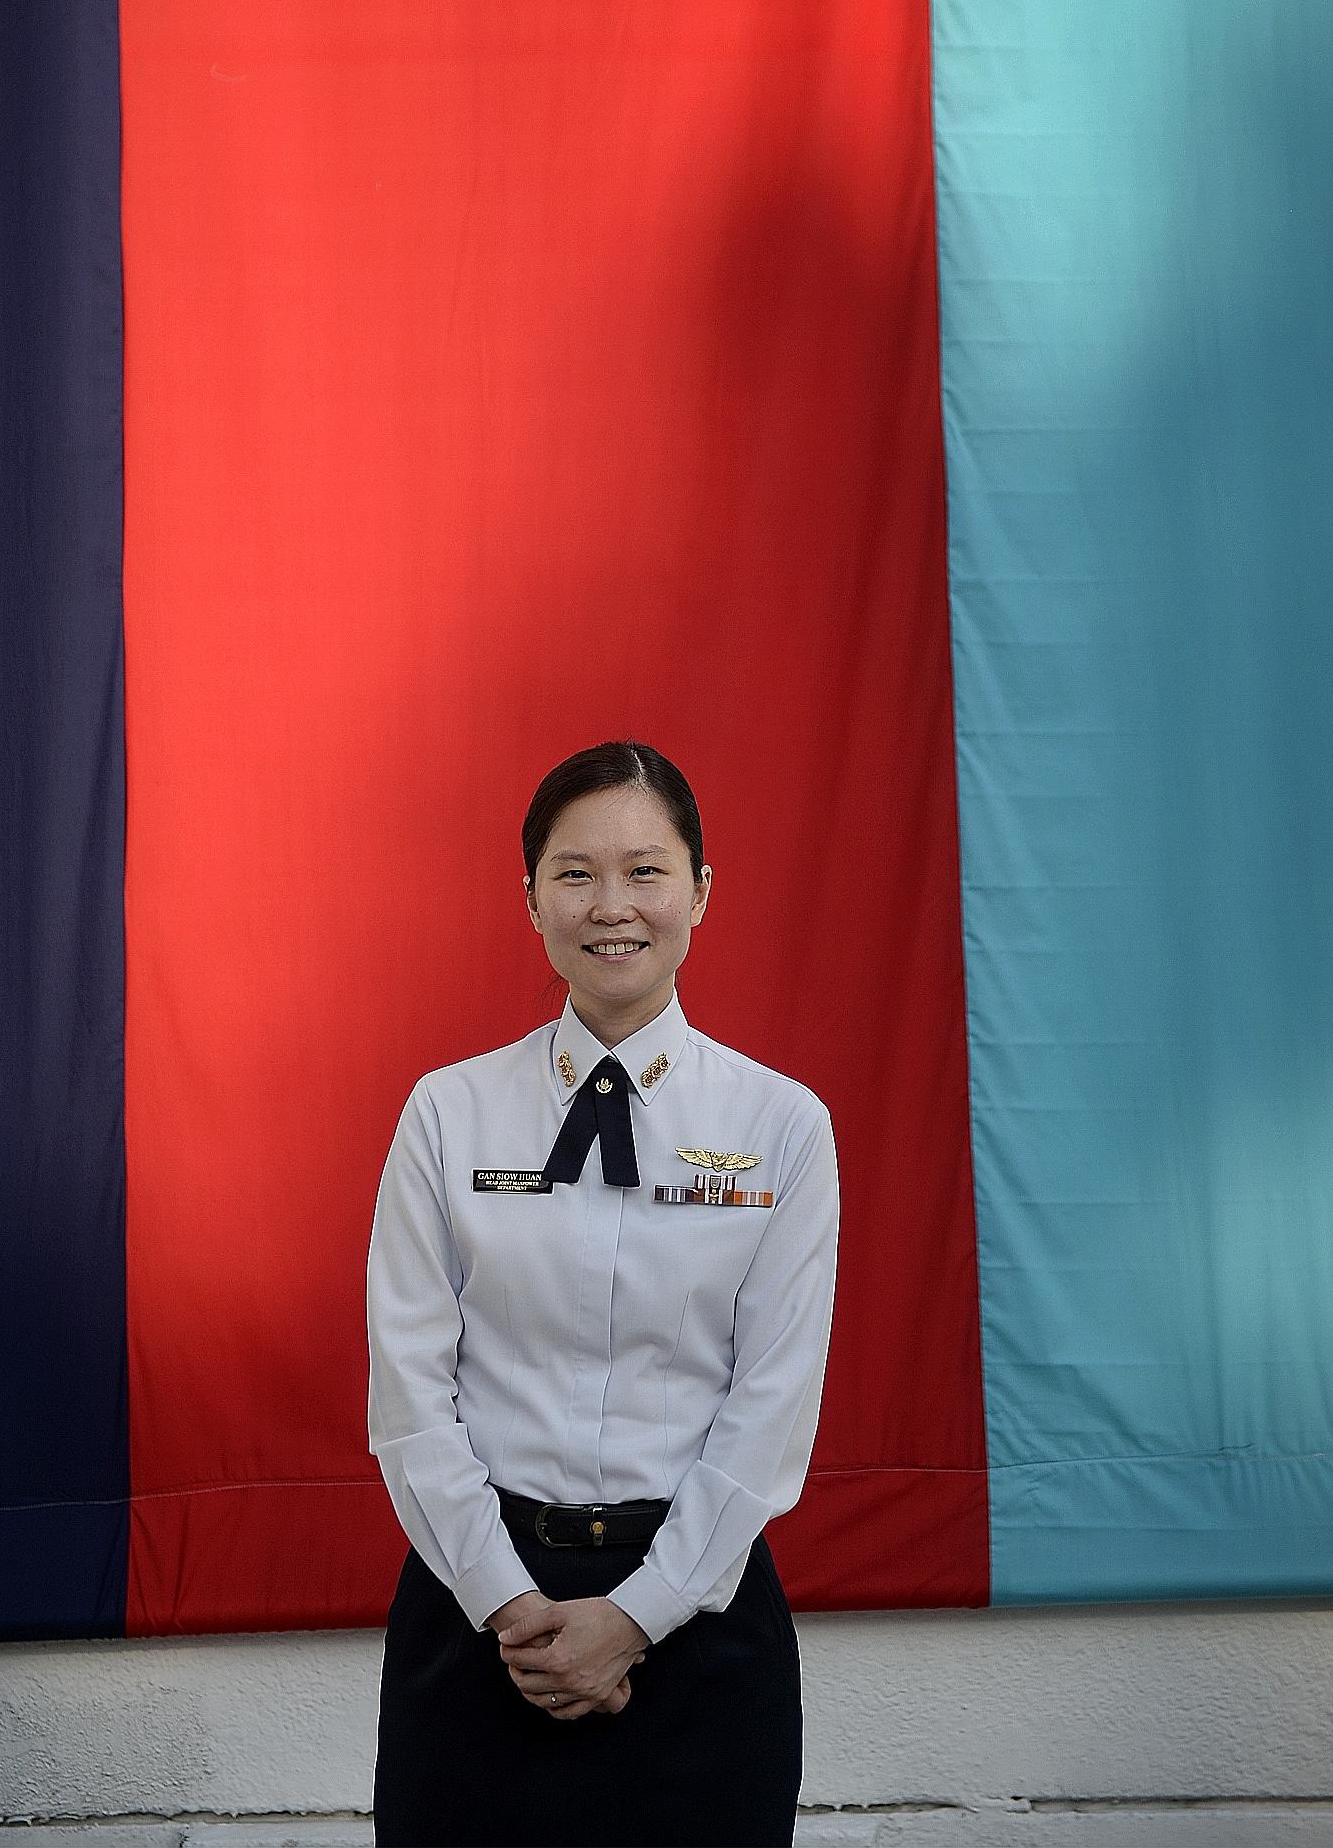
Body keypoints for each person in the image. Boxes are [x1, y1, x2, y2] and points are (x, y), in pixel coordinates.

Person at [366, 739, 840, 1848]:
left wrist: (634, 1617)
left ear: (701, 891)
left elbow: (770, 1413)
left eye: (646, 870)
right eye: (575, 872)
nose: (612, 905)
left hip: (697, 1622)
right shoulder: (448, 1112)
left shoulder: (781, 1126)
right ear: (528, 896)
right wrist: (510, 1604)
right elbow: (408, 1396)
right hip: (480, 1618)